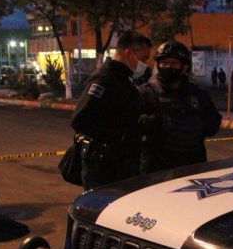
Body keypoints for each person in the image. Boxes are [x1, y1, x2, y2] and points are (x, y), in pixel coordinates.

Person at [71, 30, 152, 190]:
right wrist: (117, 136)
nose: (145, 64)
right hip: (104, 167)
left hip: (119, 164)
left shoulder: (123, 78)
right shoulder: (105, 79)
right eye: (143, 59)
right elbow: (80, 120)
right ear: (128, 53)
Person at [138, 41, 222, 173]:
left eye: (174, 62)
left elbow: (212, 127)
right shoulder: (145, 93)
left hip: (192, 167)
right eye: (164, 62)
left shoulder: (198, 94)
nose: (168, 66)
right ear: (158, 65)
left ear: (184, 67)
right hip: (157, 170)